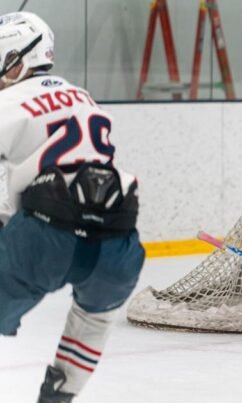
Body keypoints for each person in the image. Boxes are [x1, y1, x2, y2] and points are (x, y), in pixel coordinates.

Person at [0, 12, 144, 403]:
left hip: (44, 240)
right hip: (118, 246)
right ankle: (60, 395)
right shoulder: (83, 96)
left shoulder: (7, 103)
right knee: (94, 319)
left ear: (17, 58)